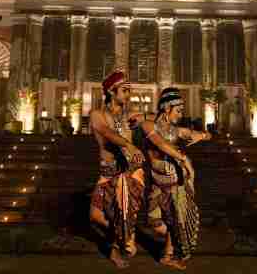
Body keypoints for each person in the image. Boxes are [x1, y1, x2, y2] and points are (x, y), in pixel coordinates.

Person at [140, 87, 212, 270]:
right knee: (153, 222)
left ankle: (168, 255)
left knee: (174, 218)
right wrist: (182, 158)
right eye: (178, 111)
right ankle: (177, 238)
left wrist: (202, 135)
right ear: (166, 108)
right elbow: (161, 145)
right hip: (158, 180)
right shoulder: (149, 126)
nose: (180, 115)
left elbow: (202, 134)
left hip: (175, 180)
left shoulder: (175, 130)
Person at [89, 70, 146, 268]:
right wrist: (128, 145)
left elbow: (152, 119)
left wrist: (145, 117)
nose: (128, 94)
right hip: (106, 172)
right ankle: (127, 231)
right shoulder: (97, 115)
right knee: (95, 216)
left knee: (121, 209)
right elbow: (106, 133)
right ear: (112, 92)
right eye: (125, 90)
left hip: (128, 172)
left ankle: (116, 249)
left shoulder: (129, 116)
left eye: (129, 90)